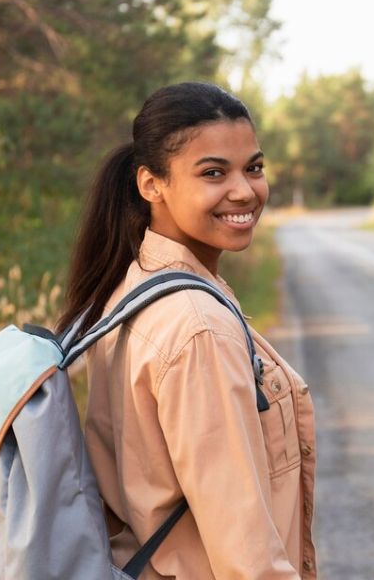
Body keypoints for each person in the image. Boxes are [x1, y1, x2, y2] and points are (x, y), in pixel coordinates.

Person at [56, 82, 317, 579]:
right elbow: (245, 554)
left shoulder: (133, 287)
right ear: (151, 184)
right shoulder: (198, 329)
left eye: (253, 168)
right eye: (213, 173)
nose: (244, 190)